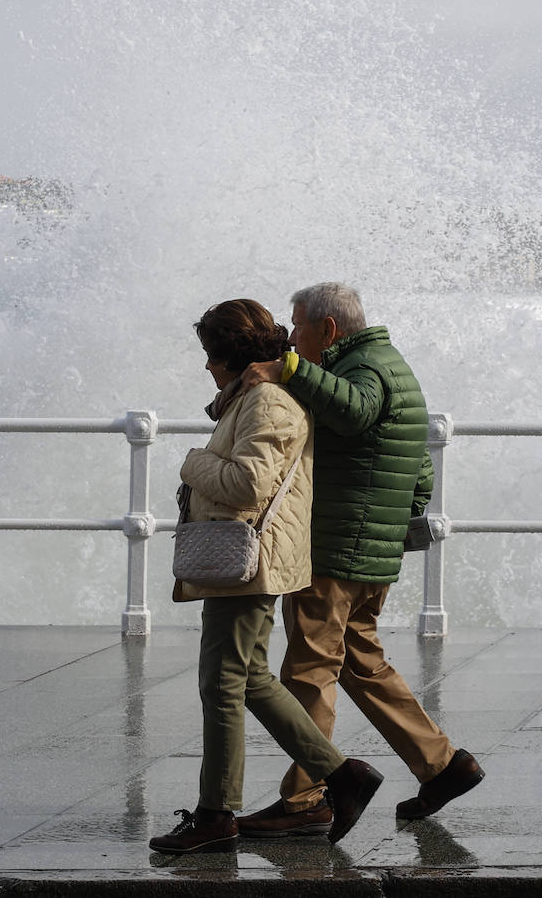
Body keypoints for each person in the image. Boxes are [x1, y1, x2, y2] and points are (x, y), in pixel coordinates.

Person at [236, 282, 484, 837]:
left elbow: (355, 412)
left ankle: (306, 798)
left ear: (328, 328)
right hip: (369, 548)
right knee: (359, 661)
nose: (291, 338)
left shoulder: (364, 372)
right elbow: (420, 472)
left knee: (308, 669)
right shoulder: (391, 364)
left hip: (337, 550)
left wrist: (289, 372)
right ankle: (442, 766)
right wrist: (389, 526)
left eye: (298, 326)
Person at [149, 298, 384, 855]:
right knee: (250, 679)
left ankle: (215, 814)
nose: (207, 366)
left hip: (248, 564)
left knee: (222, 684)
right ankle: (342, 776)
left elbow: (248, 485)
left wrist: (190, 462)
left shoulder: (268, 402)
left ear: (231, 354)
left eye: (211, 355)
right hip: (249, 561)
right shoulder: (251, 398)